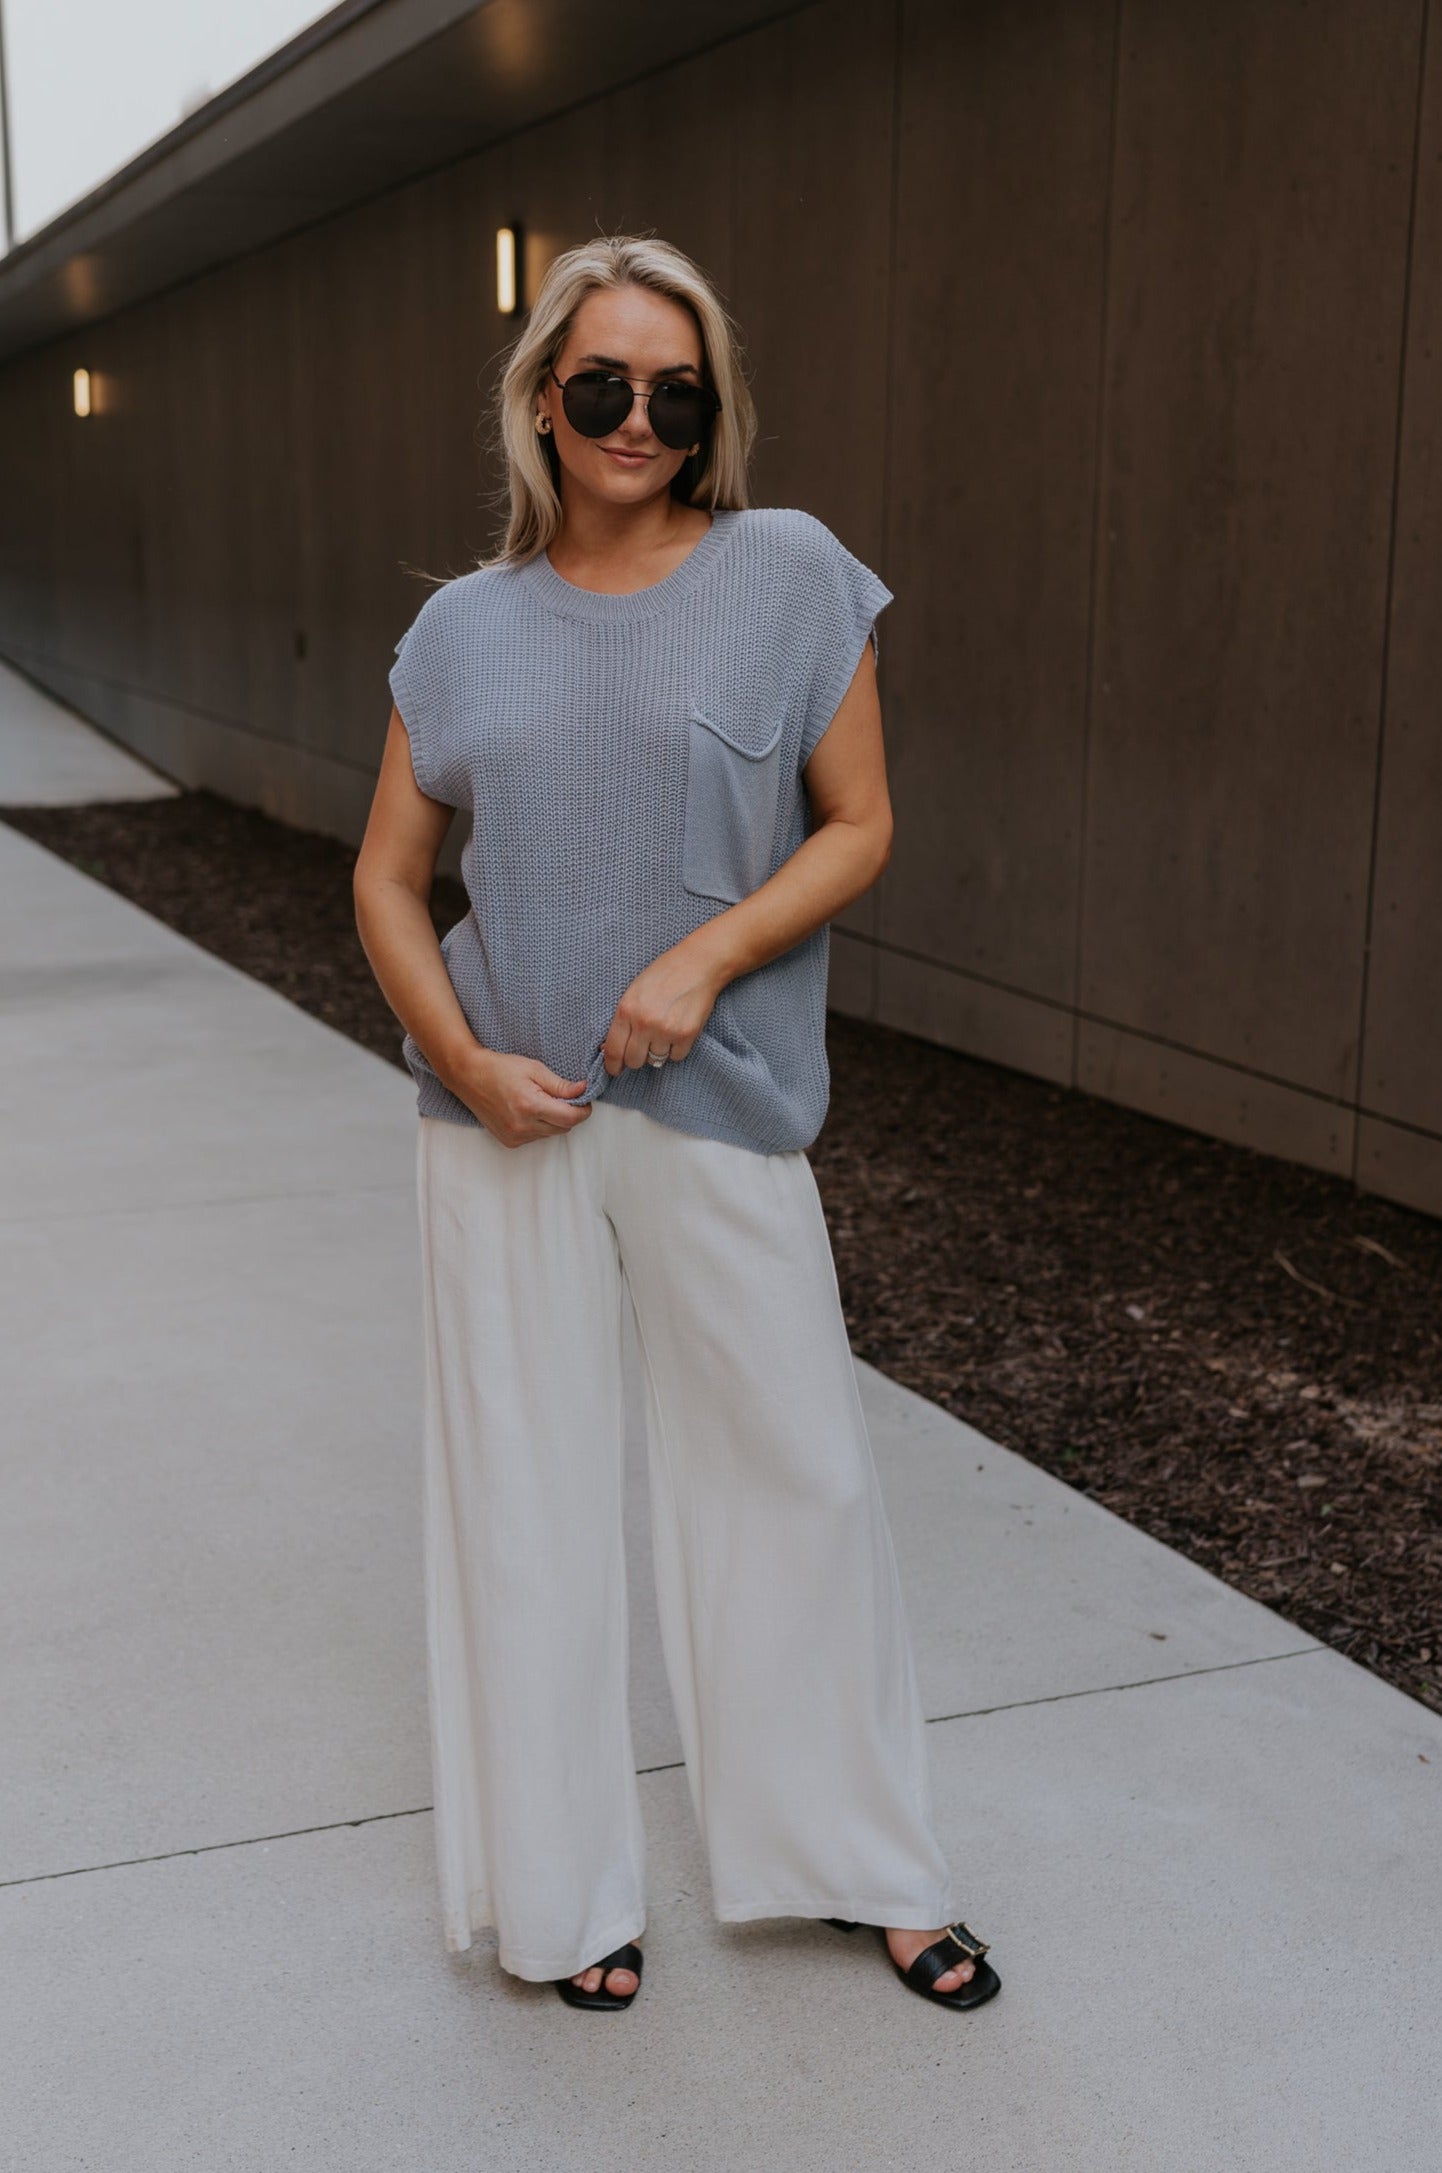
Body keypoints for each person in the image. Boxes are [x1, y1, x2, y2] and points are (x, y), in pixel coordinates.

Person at [353, 233, 1001, 2017]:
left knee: (794, 1473)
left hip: (713, 1098)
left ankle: (864, 1863)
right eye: (600, 384)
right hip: (502, 1117)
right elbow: (390, 883)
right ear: (540, 401)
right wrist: (464, 1060)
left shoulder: (788, 574)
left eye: (674, 389)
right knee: (528, 1502)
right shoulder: (456, 629)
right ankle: (564, 1899)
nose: (637, 417)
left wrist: (700, 960)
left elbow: (855, 822)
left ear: (706, 409)